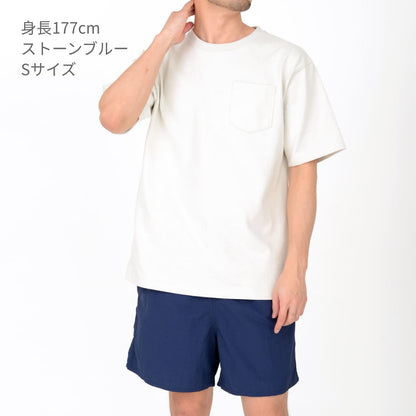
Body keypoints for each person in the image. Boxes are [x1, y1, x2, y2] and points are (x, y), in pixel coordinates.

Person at [98, 0, 346, 414]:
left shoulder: (286, 61)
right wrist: (163, 39)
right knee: (187, 407)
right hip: (172, 275)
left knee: (267, 407)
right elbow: (113, 117)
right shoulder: (165, 57)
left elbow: (304, 170)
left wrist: (296, 269)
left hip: (258, 279)